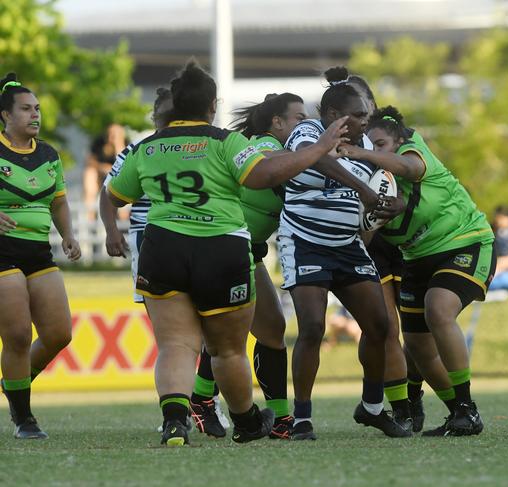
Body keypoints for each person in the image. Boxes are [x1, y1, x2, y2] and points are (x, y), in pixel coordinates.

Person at [107, 60, 348, 446]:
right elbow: (262, 176)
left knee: (175, 346)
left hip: (163, 247)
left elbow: (113, 195)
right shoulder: (226, 141)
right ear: (211, 106)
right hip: (221, 249)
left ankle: (175, 422)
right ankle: (248, 422)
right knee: (228, 350)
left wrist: (109, 233)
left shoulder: (148, 147)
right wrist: (320, 148)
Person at [338, 105, 496, 436]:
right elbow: (366, 237)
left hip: (464, 242)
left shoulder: (413, 148)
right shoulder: (373, 182)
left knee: (438, 309)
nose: (374, 151)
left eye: (380, 144)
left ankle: (466, 406)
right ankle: (461, 414)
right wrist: (375, 213)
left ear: (397, 140)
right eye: (371, 146)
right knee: (418, 346)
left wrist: (357, 151)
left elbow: (407, 167)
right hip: (417, 257)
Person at [278, 66, 411, 440]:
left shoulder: (365, 145)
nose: (366, 123)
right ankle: (301, 417)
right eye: (359, 116)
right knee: (312, 328)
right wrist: (365, 192)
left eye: (367, 116)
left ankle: (371, 408)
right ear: (334, 116)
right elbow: (316, 158)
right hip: (304, 241)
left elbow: (378, 187)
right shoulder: (307, 131)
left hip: (347, 245)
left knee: (380, 325)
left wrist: (390, 203)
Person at [99, 88, 229, 438]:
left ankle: (201, 399)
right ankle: (184, 404)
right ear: (156, 117)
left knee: (212, 331)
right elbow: (109, 192)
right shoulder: (140, 149)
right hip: (153, 242)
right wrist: (112, 231)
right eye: (163, 114)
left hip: (206, 240)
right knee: (176, 335)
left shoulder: (204, 144)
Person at [190, 92, 308, 440]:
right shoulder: (259, 145)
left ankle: (280, 420)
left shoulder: (292, 155)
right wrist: (321, 152)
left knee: (271, 330)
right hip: (222, 245)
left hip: (247, 251)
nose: (306, 125)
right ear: (277, 122)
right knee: (231, 335)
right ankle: (200, 400)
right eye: (299, 118)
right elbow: (269, 159)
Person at [347, 75, 456, 434]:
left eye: (363, 105)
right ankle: (397, 406)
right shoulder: (341, 143)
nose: (359, 113)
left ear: (373, 106)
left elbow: (415, 182)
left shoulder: (401, 140)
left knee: (415, 336)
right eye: (352, 108)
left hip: (407, 246)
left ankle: (413, 393)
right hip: (373, 245)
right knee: (385, 329)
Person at [0, 72, 81, 439]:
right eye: (26, 109)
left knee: (59, 333)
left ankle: (13, 382)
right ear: (5, 115)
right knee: (17, 335)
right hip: (2, 252)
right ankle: (23, 418)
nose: (35, 115)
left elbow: (59, 201)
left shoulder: (48, 154)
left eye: (38, 109)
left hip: (38, 251)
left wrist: (68, 235)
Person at [84, 123, 127, 219]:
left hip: (119, 177)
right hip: (101, 176)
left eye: (116, 134)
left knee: (124, 181)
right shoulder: (99, 143)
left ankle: (124, 219)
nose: (111, 136)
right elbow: (90, 161)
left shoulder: (126, 144)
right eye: (110, 133)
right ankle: (89, 216)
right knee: (90, 173)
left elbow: (125, 164)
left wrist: (118, 144)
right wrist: (102, 167)